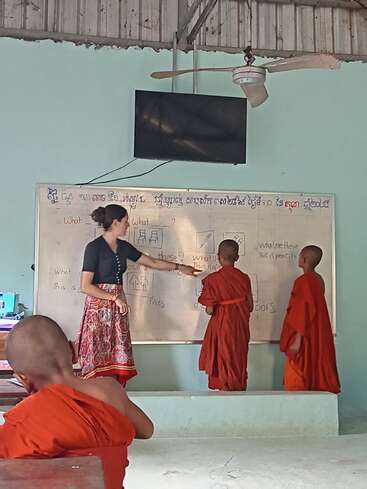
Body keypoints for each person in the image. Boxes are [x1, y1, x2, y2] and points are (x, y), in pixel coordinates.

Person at [0, 315, 153, 489]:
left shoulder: (25, 419)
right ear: (74, 351)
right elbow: (147, 430)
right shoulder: (110, 389)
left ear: (23, 378)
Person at [77, 204, 199, 385]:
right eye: (126, 221)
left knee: (117, 359)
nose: (128, 225)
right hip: (100, 311)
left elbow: (152, 262)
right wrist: (114, 298)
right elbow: (85, 286)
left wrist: (180, 267)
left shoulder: (124, 247)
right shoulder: (94, 248)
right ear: (115, 222)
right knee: (97, 358)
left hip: (118, 309)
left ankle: (115, 398)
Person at [279, 245, 340, 394]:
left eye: (300, 256)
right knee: (315, 365)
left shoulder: (303, 281)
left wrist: (297, 340)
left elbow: (302, 312)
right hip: (317, 331)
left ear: (304, 259)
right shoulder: (319, 280)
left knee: (299, 371)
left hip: (304, 334)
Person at [198, 239, 253, 391]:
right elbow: (250, 306)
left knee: (223, 358)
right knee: (238, 357)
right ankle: (238, 388)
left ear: (219, 256)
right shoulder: (244, 278)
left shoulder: (213, 280)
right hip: (240, 326)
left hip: (221, 326)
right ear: (237, 258)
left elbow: (210, 310)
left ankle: (224, 389)